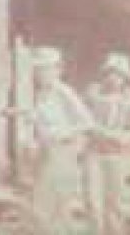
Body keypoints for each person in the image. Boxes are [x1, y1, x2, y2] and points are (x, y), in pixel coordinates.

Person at [28, 46, 96, 233]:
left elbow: (87, 123)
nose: (40, 74)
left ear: (56, 70)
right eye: (38, 70)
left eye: (45, 69)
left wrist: (61, 133)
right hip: (47, 153)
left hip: (62, 153)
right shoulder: (41, 94)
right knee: (43, 208)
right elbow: (43, 120)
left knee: (51, 206)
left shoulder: (63, 91)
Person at [84, 53, 130, 235]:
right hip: (94, 154)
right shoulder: (93, 94)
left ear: (126, 78)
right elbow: (85, 122)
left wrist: (125, 137)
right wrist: (107, 134)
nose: (113, 79)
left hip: (117, 156)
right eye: (110, 74)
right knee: (93, 201)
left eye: (119, 75)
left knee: (115, 203)